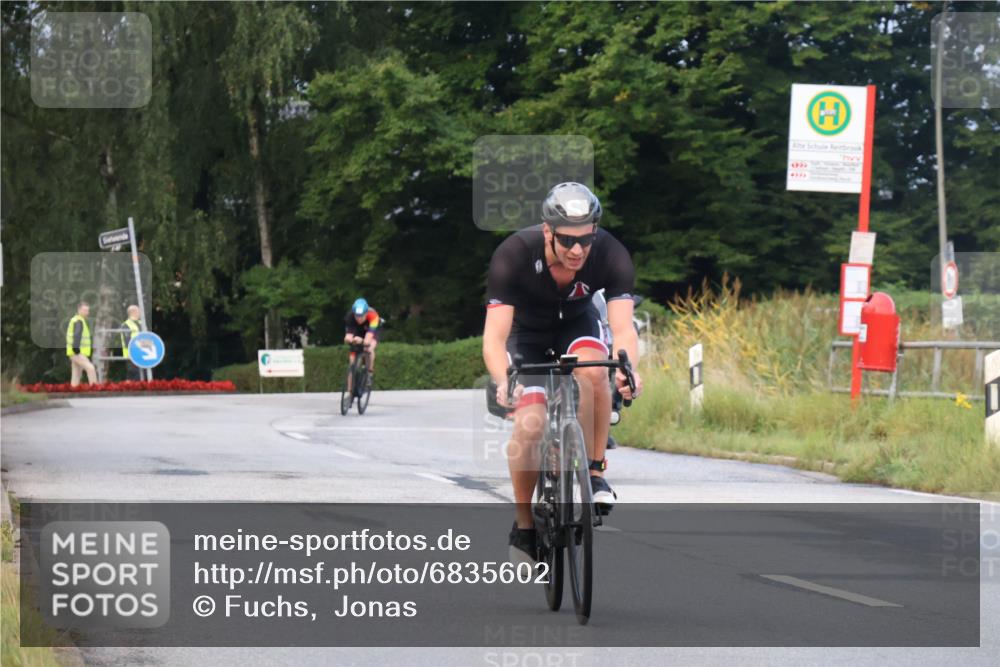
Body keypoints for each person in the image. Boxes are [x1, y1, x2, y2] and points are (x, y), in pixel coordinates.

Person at [483, 182, 643, 565]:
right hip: (527, 336)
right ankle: (524, 525)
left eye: (585, 240)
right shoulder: (514, 254)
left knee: (596, 371)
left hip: (577, 324)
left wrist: (628, 369)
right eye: (567, 241)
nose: (577, 251)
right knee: (532, 422)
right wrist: (504, 378)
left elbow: (622, 329)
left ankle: (596, 470)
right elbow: (495, 336)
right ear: (547, 231)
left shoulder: (609, 253)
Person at [343, 298, 380, 383]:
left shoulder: (373, 316)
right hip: (359, 330)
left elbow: (368, 339)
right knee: (352, 363)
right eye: (357, 315)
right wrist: (348, 339)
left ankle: (369, 373)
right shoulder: (350, 317)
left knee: (368, 348)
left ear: (366, 313)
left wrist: (362, 341)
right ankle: (350, 392)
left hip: (372, 329)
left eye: (361, 316)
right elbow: (349, 335)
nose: (359, 318)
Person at [65, 302, 97, 387]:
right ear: (79, 310)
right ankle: (95, 389)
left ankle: (73, 390)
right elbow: (77, 336)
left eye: (88, 310)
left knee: (76, 374)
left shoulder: (76, 320)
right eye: (85, 310)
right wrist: (76, 350)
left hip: (73, 352)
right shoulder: (79, 321)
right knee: (91, 368)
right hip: (77, 352)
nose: (87, 312)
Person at [120, 305, 142, 381]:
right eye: (139, 311)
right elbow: (127, 341)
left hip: (141, 353)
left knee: (136, 375)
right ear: (134, 312)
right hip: (131, 354)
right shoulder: (126, 325)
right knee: (134, 373)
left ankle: (127, 390)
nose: (140, 313)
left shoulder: (140, 323)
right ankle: (128, 391)